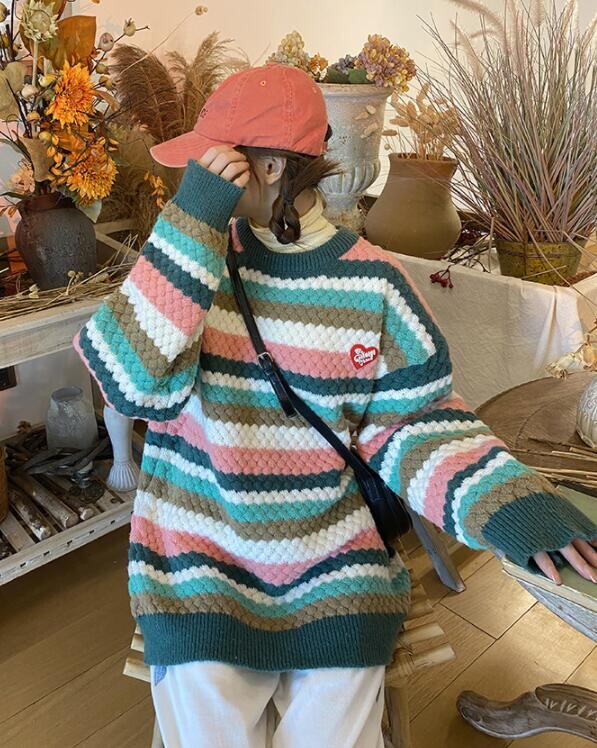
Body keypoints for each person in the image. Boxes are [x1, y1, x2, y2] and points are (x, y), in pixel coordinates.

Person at [74, 64, 597, 748]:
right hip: (199, 562)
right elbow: (125, 382)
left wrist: (507, 504)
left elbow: (415, 423)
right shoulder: (190, 262)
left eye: (208, 159)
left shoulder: (375, 282)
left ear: (265, 167)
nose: (191, 176)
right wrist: (188, 224)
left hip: (333, 570)